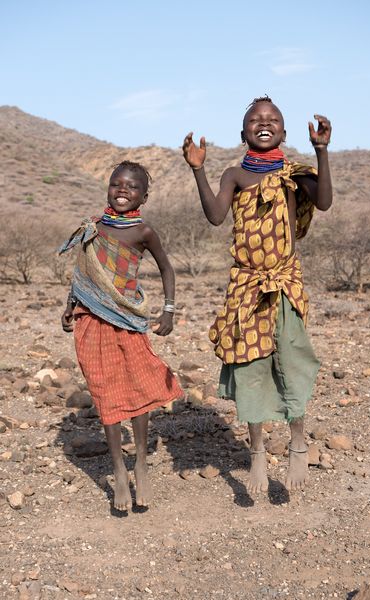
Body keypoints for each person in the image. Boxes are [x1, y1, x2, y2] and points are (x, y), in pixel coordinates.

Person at [182, 96, 332, 493]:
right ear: (243, 131)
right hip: (247, 284)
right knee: (249, 365)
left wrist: (321, 152)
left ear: (283, 131)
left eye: (272, 119)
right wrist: (198, 170)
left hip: (283, 283)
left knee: (292, 359)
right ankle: (258, 451)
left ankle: (298, 441)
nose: (263, 123)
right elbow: (216, 215)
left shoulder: (294, 173)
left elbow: (324, 202)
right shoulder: (234, 174)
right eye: (255, 119)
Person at [60, 161, 183, 511]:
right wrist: (70, 305)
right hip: (90, 321)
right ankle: (118, 469)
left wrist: (169, 310)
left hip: (128, 319)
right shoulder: (93, 228)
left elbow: (166, 268)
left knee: (138, 386)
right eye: (116, 184)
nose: (123, 190)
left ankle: (140, 462)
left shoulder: (143, 232)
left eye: (131, 186)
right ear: (108, 189)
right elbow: (82, 273)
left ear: (144, 195)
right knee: (105, 392)